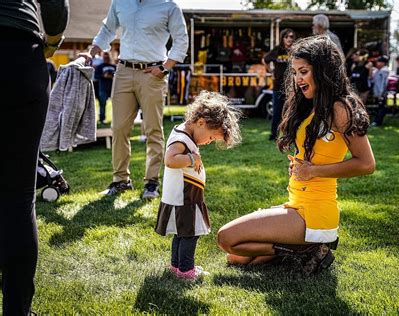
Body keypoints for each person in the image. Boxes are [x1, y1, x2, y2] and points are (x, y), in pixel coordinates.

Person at [217, 36, 375, 272]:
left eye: (304, 71)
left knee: (226, 238)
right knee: (235, 257)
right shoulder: (312, 105)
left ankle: (309, 247)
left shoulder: (340, 108)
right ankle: (300, 250)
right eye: (294, 72)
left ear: (322, 70)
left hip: (316, 213)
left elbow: (366, 164)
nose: (297, 78)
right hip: (296, 203)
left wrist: (312, 171)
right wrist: (301, 167)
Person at [0, 1, 68, 314]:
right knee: (18, 195)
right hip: (19, 52)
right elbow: (55, 4)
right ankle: (18, 310)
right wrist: (52, 41)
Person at [82, 0, 189, 199]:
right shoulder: (120, 2)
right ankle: (120, 180)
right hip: (123, 71)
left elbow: (181, 39)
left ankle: (151, 183)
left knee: (153, 130)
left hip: (153, 73)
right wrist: (92, 51)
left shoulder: (169, 6)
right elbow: (108, 29)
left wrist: (165, 68)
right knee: (119, 128)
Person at [155, 91, 241, 280]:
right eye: (211, 137)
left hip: (184, 196)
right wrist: (192, 157)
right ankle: (186, 271)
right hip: (184, 197)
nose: (209, 142)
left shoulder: (184, 133)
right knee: (190, 234)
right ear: (200, 122)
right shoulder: (182, 139)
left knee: (181, 233)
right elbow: (170, 160)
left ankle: (177, 267)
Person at [262, 28, 295, 141]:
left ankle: (290, 136)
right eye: (287, 37)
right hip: (278, 86)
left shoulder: (296, 51)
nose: (289, 39)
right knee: (277, 112)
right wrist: (270, 72)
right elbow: (265, 60)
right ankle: (274, 135)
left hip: (292, 87)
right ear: (282, 38)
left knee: (291, 112)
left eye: (291, 37)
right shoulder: (277, 50)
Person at [95, 51, 116, 124]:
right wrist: (103, 76)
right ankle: (102, 119)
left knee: (116, 104)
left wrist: (112, 76)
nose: (106, 58)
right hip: (102, 87)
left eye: (107, 56)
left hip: (113, 87)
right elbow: (96, 76)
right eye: (105, 56)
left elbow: (117, 75)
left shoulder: (114, 66)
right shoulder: (100, 66)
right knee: (102, 104)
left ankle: (116, 120)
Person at [371, 55, 390, 127]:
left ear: (383, 63)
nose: (377, 63)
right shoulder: (378, 70)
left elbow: (384, 83)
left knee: (381, 107)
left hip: (381, 93)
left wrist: (381, 94)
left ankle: (378, 122)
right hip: (378, 92)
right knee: (378, 107)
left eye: (379, 61)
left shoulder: (384, 71)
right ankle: (376, 121)